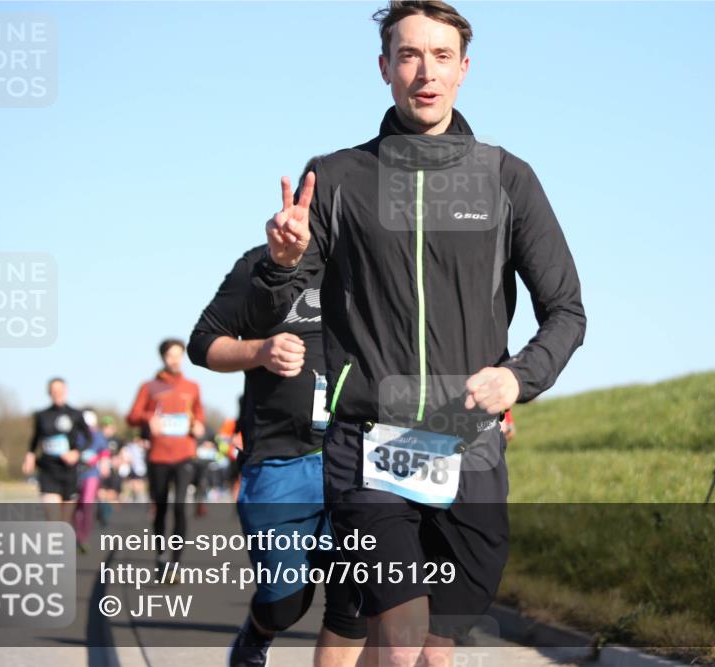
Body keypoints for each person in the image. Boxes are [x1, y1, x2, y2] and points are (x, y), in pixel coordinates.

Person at [245, 2, 587, 664]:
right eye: (407, 55)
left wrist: (518, 375)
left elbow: (567, 309)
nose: (423, 71)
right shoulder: (338, 178)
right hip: (369, 441)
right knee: (398, 638)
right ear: (384, 68)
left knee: (436, 644)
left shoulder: (506, 178)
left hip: (470, 448)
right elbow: (275, 305)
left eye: (439, 56)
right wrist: (280, 263)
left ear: (463, 69)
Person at [189, 237, 367, 667]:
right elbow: (202, 342)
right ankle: (259, 630)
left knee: (354, 598)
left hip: (361, 456)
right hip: (281, 459)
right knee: (286, 602)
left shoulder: (376, 260)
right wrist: (259, 350)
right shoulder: (259, 267)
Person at [127, 338, 206, 567]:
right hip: (159, 455)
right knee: (160, 507)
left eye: (178, 355)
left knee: (180, 507)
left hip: (184, 454)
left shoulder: (192, 387)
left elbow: (199, 415)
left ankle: (176, 561)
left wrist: (198, 425)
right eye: (170, 355)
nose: (175, 360)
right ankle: (161, 554)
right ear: (162, 357)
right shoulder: (149, 387)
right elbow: (132, 415)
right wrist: (148, 418)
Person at [23, 378, 90, 521]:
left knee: (65, 522)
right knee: (53, 519)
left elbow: (89, 438)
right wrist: (30, 455)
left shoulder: (76, 414)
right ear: (49, 393)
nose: (57, 394)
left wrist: (77, 452)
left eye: (60, 390)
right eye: (54, 391)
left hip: (69, 472)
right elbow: (35, 439)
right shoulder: (42, 415)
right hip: (48, 470)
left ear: (66, 391)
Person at [73, 409, 111, 552]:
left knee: (86, 505)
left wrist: (104, 466)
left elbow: (104, 452)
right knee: (76, 507)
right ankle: (76, 534)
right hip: (75, 475)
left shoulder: (98, 436)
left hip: (92, 475)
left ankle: (83, 537)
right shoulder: (76, 435)